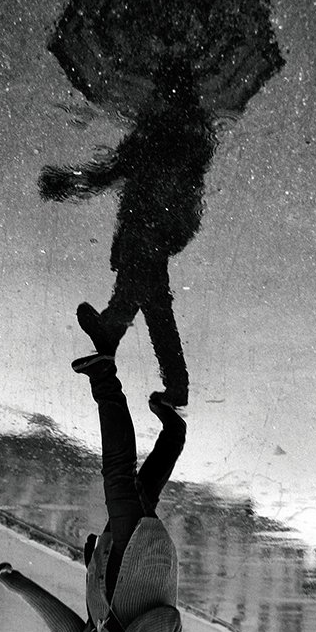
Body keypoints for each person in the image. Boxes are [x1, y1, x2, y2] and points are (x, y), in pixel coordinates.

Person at [0, 339, 185, 632]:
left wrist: (16, 583)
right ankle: (104, 378)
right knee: (117, 477)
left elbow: (67, 630)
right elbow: (170, 624)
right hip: (144, 562)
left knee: (140, 490)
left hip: (108, 568)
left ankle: (174, 433)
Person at [38, 58, 218, 408]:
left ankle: (110, 336)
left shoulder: (160, 132)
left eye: (161, 90)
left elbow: (113, 171)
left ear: (168, 92)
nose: (154, 96)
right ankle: (172, 382)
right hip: (161, 227)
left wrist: (67, 183)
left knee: (138, 293)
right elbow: (129, 171)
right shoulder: (192, 133)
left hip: (147, 227)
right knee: (155, 304)